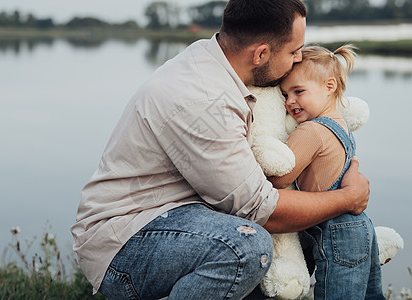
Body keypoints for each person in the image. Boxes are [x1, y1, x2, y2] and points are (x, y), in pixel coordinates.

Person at [71, 0, 370, 299]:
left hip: (186, 217)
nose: (299, 58)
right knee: (246, 248)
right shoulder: (203, 100)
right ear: (261, 54)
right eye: (293, 51)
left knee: (310, 230)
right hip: (128, 239)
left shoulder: (220, 63)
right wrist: (347, 197)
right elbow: (263, 211)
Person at [271, 44, 384, 299]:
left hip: (336, 231)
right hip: (361, 226)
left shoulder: (311, 131)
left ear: (329, 86)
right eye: (284, 95)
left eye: (298, 91)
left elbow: (280, 177)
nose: (290, 102)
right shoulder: (341, 124)